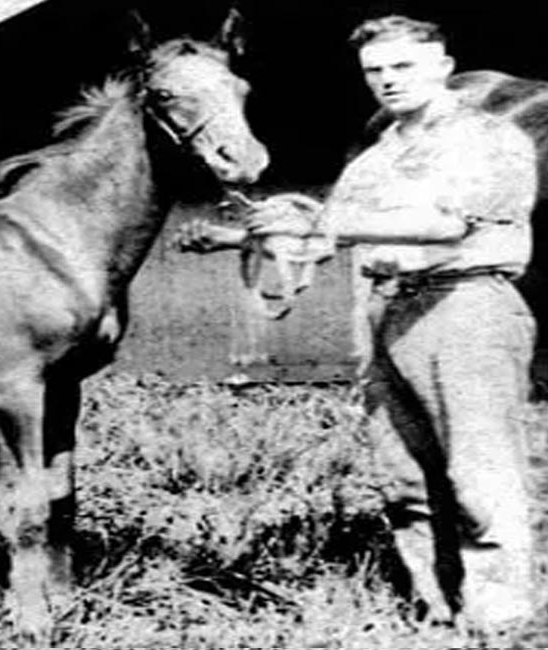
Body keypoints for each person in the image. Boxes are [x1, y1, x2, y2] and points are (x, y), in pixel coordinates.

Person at [181, 15, 538, 630]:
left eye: (403, 67)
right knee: (404, 477)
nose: (387, 82)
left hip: (465, 306)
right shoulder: (379, 155)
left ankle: (500, 622)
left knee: (481, 475)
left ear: (443, 66)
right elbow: (331, 238)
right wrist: (237, 236)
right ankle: (436, 610)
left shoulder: (486, 137)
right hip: (387, 308)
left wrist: (318, 225)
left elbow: (445, 226)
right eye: (375, 71)